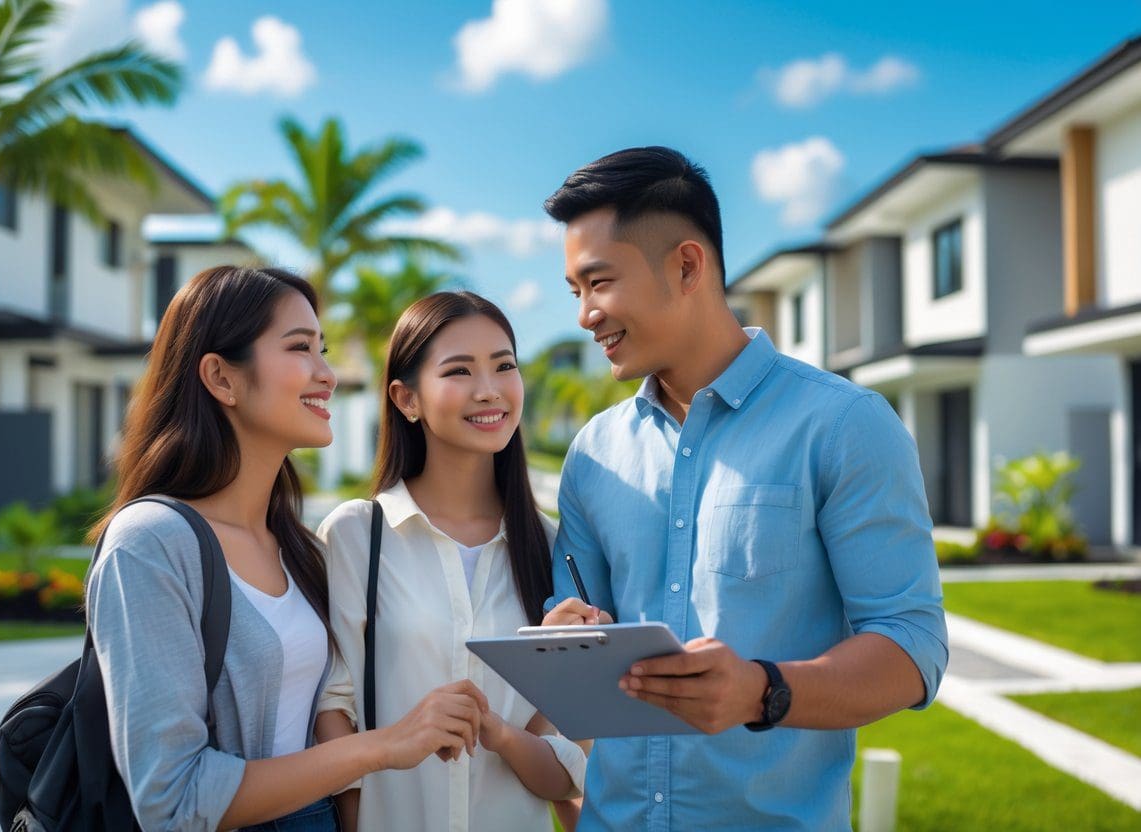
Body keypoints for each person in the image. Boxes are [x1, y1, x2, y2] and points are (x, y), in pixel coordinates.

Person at [540, 147, 949, 830]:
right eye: (573, 292)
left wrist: (763, 691)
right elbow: (581, 629)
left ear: (687, 266)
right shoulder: (593, 454)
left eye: (598, 282)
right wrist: (565, 636)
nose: (584, 315)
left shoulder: (844, 426)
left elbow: (911, 646)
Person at [87, 266, 489, 831]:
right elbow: (172, 799)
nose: (326, 374)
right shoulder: (150, 544)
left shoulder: (299, 547)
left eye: (321, 350)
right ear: (221, 378)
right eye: (300, 348)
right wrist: (384, 746)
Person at [316, 291, 588, 832]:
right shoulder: (356, 535)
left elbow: (563, 776)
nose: (489, 390)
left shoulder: (554, 547)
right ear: (406, 398)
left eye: (504, 365)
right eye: (459, 370)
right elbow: (332, 709)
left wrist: (515, 714)